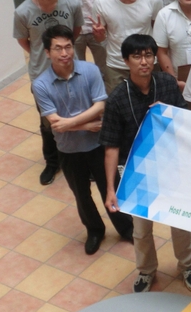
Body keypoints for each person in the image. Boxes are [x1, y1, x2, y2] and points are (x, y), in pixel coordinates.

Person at [102, 34, 191, 294]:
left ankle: (188, 265)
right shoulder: (117, 98)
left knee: (179, 221)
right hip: (137, 170)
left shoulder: (167, 83)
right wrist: (111, 189)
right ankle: (146, 270)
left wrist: (169, 112)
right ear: (126, 61)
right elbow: (111, 147)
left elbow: (184, 120)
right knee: (141, 228)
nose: (144, 61)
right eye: (137, 56)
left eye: (148, 55)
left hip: (171, 164)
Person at [33, 26, 133, 254]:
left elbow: (100, 105)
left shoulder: (90, 71)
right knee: (81, 195)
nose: (64, 53)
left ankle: (125, 227)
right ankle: (95, 230)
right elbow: (55, 122)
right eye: (58, 48)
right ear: (47, 52)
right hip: (68, 149)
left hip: (98, 144)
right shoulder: (40, 85)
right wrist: (86, 125)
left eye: (68, 46)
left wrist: (68, 124)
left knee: (111, 187)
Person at [14, 0, 84, 185]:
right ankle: (53, 162)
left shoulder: (72, 3)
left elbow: (75, 31)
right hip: (42, 76)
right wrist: (43, 56)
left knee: (78, 114)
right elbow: (24, 41)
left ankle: (82, 160)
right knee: (48, 122)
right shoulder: (23, 12)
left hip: (72, 71)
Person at [92, 0, 163, 94]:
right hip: (117, 65)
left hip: (146, 62)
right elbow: (100, 39)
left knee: (152, 102)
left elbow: (158, 30)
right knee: (118, 104)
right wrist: (99, 35)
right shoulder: (101, 1)